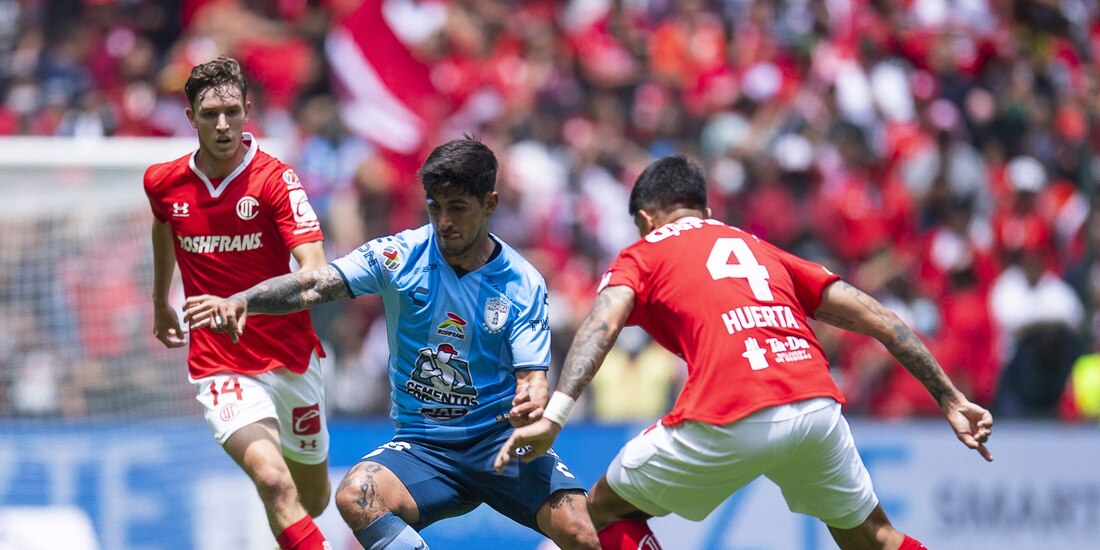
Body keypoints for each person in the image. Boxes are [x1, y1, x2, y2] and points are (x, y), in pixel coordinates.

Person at [494, 156, 995, 550]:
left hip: (731, 410)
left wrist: (556, 415)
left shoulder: (644, 251)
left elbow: (603, 321)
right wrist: (950, 398)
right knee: (875, 539)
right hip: (816, 406)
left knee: (601, 512)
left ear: (646, 218)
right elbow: (880, 319)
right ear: (706, 212)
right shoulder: (760, 247)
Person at [185, 138, 601, 550]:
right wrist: (244, 300)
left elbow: (533, 377)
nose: (444, 222)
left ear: (489, 205)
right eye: (434, 206)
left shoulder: (521, 281)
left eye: (458, 208)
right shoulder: (399, 256)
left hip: (499, 441)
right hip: (424, 447)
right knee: (356, 495)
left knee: (581, 532)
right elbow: (314, 285)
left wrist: (531, 399)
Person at [145, 55, 331, 550]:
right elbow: (164, 224)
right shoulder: (163, 182)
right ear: (191, 119)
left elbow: (315, 270)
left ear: (248, 110)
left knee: (310, 501)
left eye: (231, 111)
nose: (222, 124)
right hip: (219, 361)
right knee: (272, 481)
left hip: (290, 356)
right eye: (209, 114)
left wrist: (249, 301)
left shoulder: (274, 180)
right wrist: (162, 298)